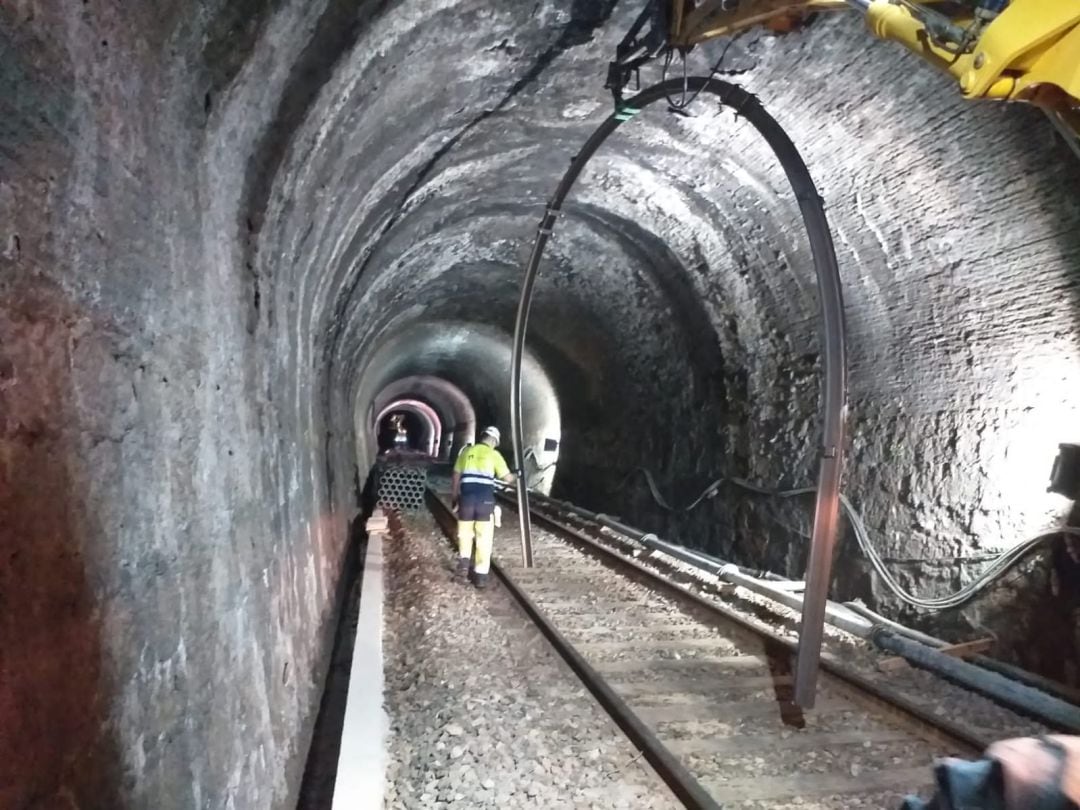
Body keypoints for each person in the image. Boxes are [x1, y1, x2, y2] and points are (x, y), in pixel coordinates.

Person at [451, 426, 515, 589]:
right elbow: (507, 479)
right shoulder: (494, 455)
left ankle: (464, 566)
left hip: (466, 500)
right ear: (494, 441)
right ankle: (480, 576)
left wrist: (454, 497)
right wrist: (518, 474)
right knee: (483, 538)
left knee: (464, 534)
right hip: (485, 502)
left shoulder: (466, 452)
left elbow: (456, 475)